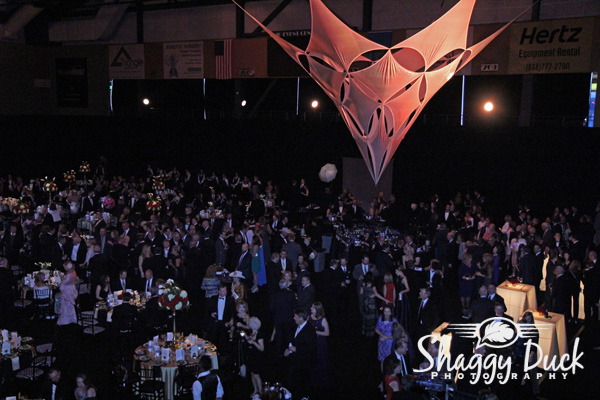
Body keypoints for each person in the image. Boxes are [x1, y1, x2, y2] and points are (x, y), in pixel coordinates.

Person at [284, 308, 317, 399]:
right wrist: (288, 349)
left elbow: (311, 348)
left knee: (302, 383)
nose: (294, 318)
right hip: (295, 360)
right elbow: (292, 340)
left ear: (301, 318)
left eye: (295, 317)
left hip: (304, 362)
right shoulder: (296, 326)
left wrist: (296, 349)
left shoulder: (310, 330)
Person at [308, 302, 333, 389]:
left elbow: (327, 333)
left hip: (320, 342)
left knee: (321, 359)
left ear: (317, 310)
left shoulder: (323, 319)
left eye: (313, 307)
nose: (311, 308)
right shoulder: (309, 317)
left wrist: (316, 332)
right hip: (312, 342)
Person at [245, 317, 265, 396]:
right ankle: (255, 390)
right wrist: (245, 336)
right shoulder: (251, 333)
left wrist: (254, 343)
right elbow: (249, 341)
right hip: (251, 357)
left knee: (256, 375)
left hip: (257, 358)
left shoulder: (259, 335)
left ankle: (260, 392)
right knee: (252, 374)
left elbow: (262, 348)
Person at [376, 304, 398, 369]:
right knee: (382, 360)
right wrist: (383, 335)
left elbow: (396, 334)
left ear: (391, 312)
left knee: (390, 360)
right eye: (385, 311)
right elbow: (376, 329)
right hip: (382, 342)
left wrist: (387, 338)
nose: (386, 313)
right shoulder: (380, 318)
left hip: (390, 343)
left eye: (388, 311)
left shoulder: (394, 321)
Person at [359, 272, 380, 337]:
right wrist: (384, 299)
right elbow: (376, 294)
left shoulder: (363, 283)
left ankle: (365, 331)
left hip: (365, 302)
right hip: (371, 302)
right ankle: (371, 332)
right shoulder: (372, 284)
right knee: (372, 317)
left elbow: (361, 292)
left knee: (366, 316)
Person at [394, 268, 411, 333]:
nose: (396, 273)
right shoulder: (399, 278)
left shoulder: (404, 278)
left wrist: (402, 291)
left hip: (403, 297)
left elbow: (408, 289)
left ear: (400, 271)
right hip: (399, 297)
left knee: (403, 311)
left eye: (396, 271)